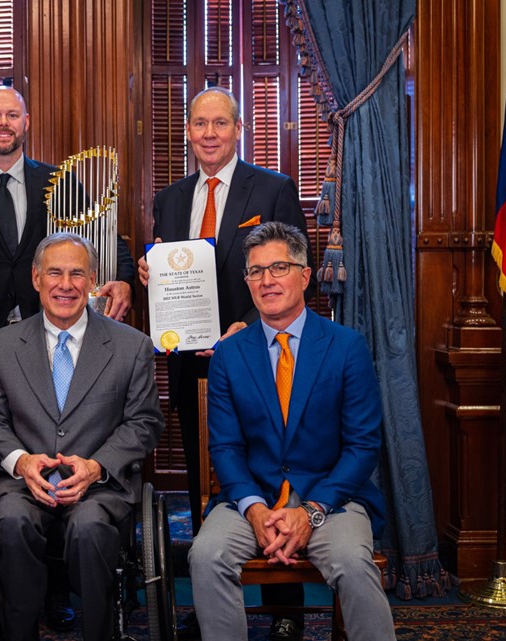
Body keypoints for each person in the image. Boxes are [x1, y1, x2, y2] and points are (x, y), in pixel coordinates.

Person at [0, 86, 136, 630]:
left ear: (27, 121)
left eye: (12, 114)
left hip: (60, 340)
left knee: (67, 457)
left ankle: (59, 589)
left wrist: (120, 277)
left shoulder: (58, 183)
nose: (3, 123)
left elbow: (108, 243)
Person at [138, 86, 311, 639]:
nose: (209, 133)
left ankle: (283, 609)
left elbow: (290, 274)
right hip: (190, 366)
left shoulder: (274, 189)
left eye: (220, 123)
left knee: (272, 471)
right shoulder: (170, 198)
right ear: (187, 131)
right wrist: (151, 275)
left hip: (261, 356)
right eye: (199, 124)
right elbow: (174, 273)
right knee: (201, 475)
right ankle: (216, 604)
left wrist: (250, 327)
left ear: (238, 130)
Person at [187, 222, 395, 641]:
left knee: (355, 565)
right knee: (205, 555)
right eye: (256, 271)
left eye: (279, 267)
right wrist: (254, 509)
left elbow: (362, 445)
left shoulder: (346, 346)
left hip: (331, 500)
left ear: (304, 275)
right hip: (252, 501)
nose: (267, 280)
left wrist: (311, 511)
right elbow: (225, 446)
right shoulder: (228, 354)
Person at [0, 232, 163, 641]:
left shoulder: (133, 347)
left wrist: (97, 467)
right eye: (54, 273)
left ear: (92, 279)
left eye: (77, 274)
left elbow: (144, 423)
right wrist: (22, 462)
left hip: (100, 487)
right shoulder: (1, 345)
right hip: (23, 484)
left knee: (90, 528)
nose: (65, 284)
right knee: (9, 522)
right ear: (36, 278)